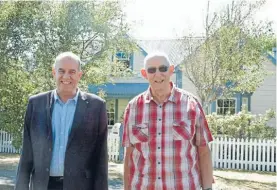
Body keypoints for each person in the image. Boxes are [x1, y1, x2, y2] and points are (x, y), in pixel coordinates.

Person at [15, 52, 108, 190]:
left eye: (72, 72)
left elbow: (101, 159)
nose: (66, 76)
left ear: (79, 75)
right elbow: (27, 154)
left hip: (80, 186)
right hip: (43, 185)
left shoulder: (96, 106)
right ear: (54, 72)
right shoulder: (36, 103)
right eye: (61, 71)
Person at [122, 52, 214, 190]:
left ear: (171, 70)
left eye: (163, 68)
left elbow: (204, 152)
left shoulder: (191, 104)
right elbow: (129, 155)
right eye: (151, 70)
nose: (157, 74)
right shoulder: (133, 107)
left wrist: (207, 188)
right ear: (144, 73)